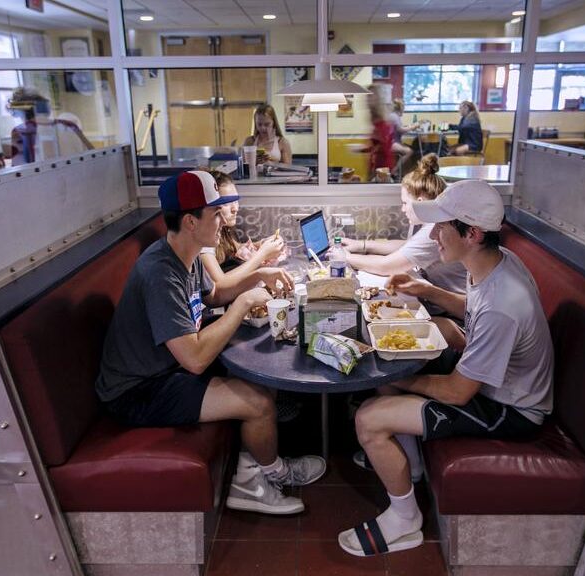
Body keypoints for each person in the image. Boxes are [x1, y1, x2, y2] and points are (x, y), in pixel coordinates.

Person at [338, 179, 553, 556]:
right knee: (428, 333)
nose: (433, 233)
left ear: (471, 233)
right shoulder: (496, 264)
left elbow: (458, 392)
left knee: (369, 418)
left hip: (510, 409)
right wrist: (428, 292)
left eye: (442, 225)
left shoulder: (505, 304)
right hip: (496, 381)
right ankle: (412, 467)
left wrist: (396, 374)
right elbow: (473, 309)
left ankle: (405, 521)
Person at [96, 171, 325, 515]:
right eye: (215, 214)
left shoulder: (185, 254)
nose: (222, 221)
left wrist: (257, 276)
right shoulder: (160, 272)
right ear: (190, 221)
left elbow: (214, 294)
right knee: (258, 402)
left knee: (261, 368)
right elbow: (195, 359)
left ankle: (252, 466)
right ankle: (262, 480)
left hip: (166, 368)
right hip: (138, 391)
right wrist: (246, 303)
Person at [341, 154, 466, 314]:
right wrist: (362, 245)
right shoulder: (435, 222)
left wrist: (345, 258)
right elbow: (408, 246)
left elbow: (385, 266)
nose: (402, 209)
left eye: (405, 203)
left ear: (419, 203)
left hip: (455, 310)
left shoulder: (433, 230)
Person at [199, 169, 291, 290]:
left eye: (235, 201)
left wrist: (262, 244)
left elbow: (237, 248)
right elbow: (220, 285)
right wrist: (262, 254)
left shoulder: (224, 230)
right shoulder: (203, 242)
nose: (235, 209)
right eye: (227, 203)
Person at [7, 87, 93, 166]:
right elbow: (94, 153)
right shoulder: (69, 125)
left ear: (20, 111)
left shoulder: (21, 131)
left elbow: (18, 171)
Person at [366, 88, 395, 180]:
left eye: (370, 97)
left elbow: (384, 145)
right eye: (367, 97)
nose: (367, 100)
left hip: (382, 165)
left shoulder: (384, 120)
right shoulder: (374, 119)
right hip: (375, 164)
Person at [388, 99, 414, 175]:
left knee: (408, 148)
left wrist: (408, 127)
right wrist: (412, 127)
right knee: (409, 151)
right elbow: (401, 130)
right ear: (401, 107)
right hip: (391, 143)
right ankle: (394, 171)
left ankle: (396, 172)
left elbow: (398, 128)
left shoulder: (394, 115)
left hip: (393, 142)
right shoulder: (394, 116)